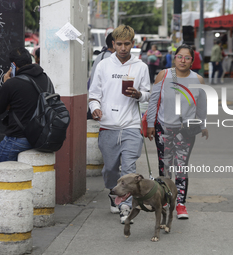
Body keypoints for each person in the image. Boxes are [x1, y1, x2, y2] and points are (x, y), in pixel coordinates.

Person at [0, 47, 55, 219]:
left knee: (1, 168)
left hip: (19, 138)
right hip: (43, 136)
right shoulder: (45, 78)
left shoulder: (13, 82)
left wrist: (6, 83)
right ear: (31, 60)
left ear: (13, 65)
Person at [88, 25, 150, 224]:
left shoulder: (141, 67)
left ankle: (126, 206)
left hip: (131, 126)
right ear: (113, 44)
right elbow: (94, 95)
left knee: (128, 169)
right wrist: (95, 108)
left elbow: (148, 95)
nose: (123, 48)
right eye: (119, 44)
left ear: (133, 44)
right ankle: (112, 192)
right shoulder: (103, 66)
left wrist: (140, 95)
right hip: (108, 126)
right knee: (110, 169)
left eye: (127, 44)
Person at [146, 44, 209, 219]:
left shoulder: (198, 80)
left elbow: (202, 106)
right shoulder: (163, 75)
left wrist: (203, 125)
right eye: (179, 56)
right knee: (165, 166)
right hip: (163, 128)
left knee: (181, 167)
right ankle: (165, 200)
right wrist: (151, 124)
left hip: (186, 131)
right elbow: (153, 101)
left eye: (187, 57)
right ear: (174, 58)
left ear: (192, 61)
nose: (183, 60)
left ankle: (180, 204)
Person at [87, 32, 115, 119]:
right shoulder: (110, 59)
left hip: (95, 101)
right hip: (102, 103)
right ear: (114, 44)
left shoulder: (100, 55)